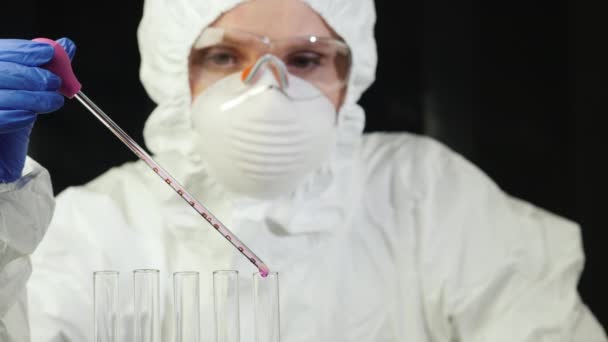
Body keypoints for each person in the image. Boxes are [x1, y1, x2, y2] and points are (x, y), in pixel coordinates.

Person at [0, 0, 606, 341]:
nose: (269, 89)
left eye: (306, 58)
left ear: (351, 76)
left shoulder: (426, 196)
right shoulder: (91, 227)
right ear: (172, 73)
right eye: (223, 55)